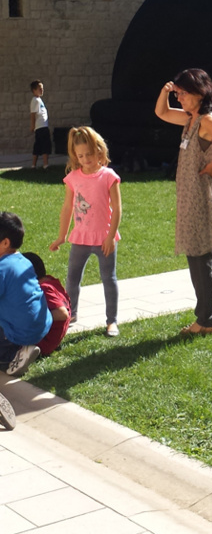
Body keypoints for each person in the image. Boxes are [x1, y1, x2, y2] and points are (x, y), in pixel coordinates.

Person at [155, 69, 212, 336]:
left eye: (183, 93)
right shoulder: (191, 118)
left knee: (199, 254)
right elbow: (162, 113)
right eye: (178, 93)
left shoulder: (206, 121)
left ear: (199, 93)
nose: (179, 98)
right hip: (195, 193)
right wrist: (165, 92)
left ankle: (204, 321)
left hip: (199, 196)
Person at [50, 127, 122, 337]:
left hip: (104, 239)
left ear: (99, 150)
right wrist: (62, 236)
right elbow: (67, 208)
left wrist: (110, 236)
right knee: (72, 278)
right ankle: (71, 315)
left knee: (109, 278)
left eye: (89, 154)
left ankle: (112, 321)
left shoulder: (108, 176)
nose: (85, 159)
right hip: (80, 238)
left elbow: (117, 208)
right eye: (80, 156)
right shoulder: (73, 178)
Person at [0, 212, 51, 378]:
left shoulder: (2, 269)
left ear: (5, 242)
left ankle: (12, 357)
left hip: (20, 331)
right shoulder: (24, 261)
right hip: (39, 326)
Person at [22, 252, 71, 356]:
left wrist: (29, 317)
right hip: (46, 340)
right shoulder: (50, 281)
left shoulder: (44, 289)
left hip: (42, 342)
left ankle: (22, 353)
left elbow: (62, 314)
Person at [29, 80, 52, 169]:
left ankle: (34, 165)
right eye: (39, 89)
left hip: (42, 126)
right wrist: (32, 125)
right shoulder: (35, 100)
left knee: (38, 145)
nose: (42, 90)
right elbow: (33, 114)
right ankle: (45, 165)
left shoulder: (39, 100)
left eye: (42, 88)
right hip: (41, 126)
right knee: (44, 144)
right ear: (34, 90)